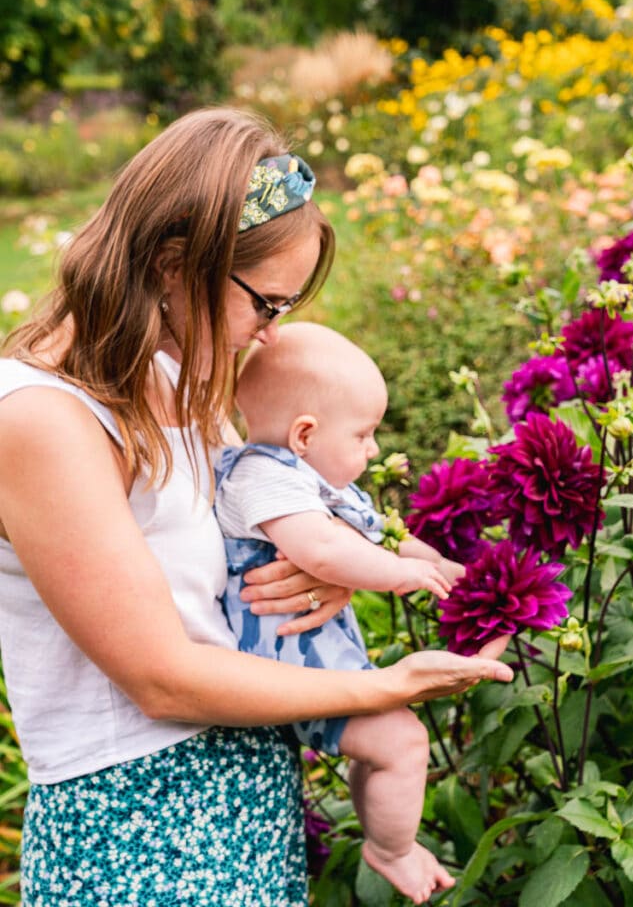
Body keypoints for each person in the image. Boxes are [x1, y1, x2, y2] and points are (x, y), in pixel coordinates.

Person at [0, 107, 513, 907]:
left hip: (246, 789)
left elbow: (242, 550)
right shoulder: (40, 420)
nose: (271, 336)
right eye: (265, 303)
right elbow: (161, 679)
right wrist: (387, 687)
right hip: (136, 825)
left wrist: (324, 575)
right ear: (174, 262)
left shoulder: (173, 376)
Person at [215, 321, 465, 904]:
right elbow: (322, 551)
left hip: (309, 663)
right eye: (364, 434)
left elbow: (388, 536)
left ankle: (383, 831)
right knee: (403, 742)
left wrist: (445, 569)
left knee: (388, 743)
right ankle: (391, 850)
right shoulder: (262, 478)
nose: (373, 450)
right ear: (305, 434)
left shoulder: (317, 484)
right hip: (286, 670)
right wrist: (401, 577)